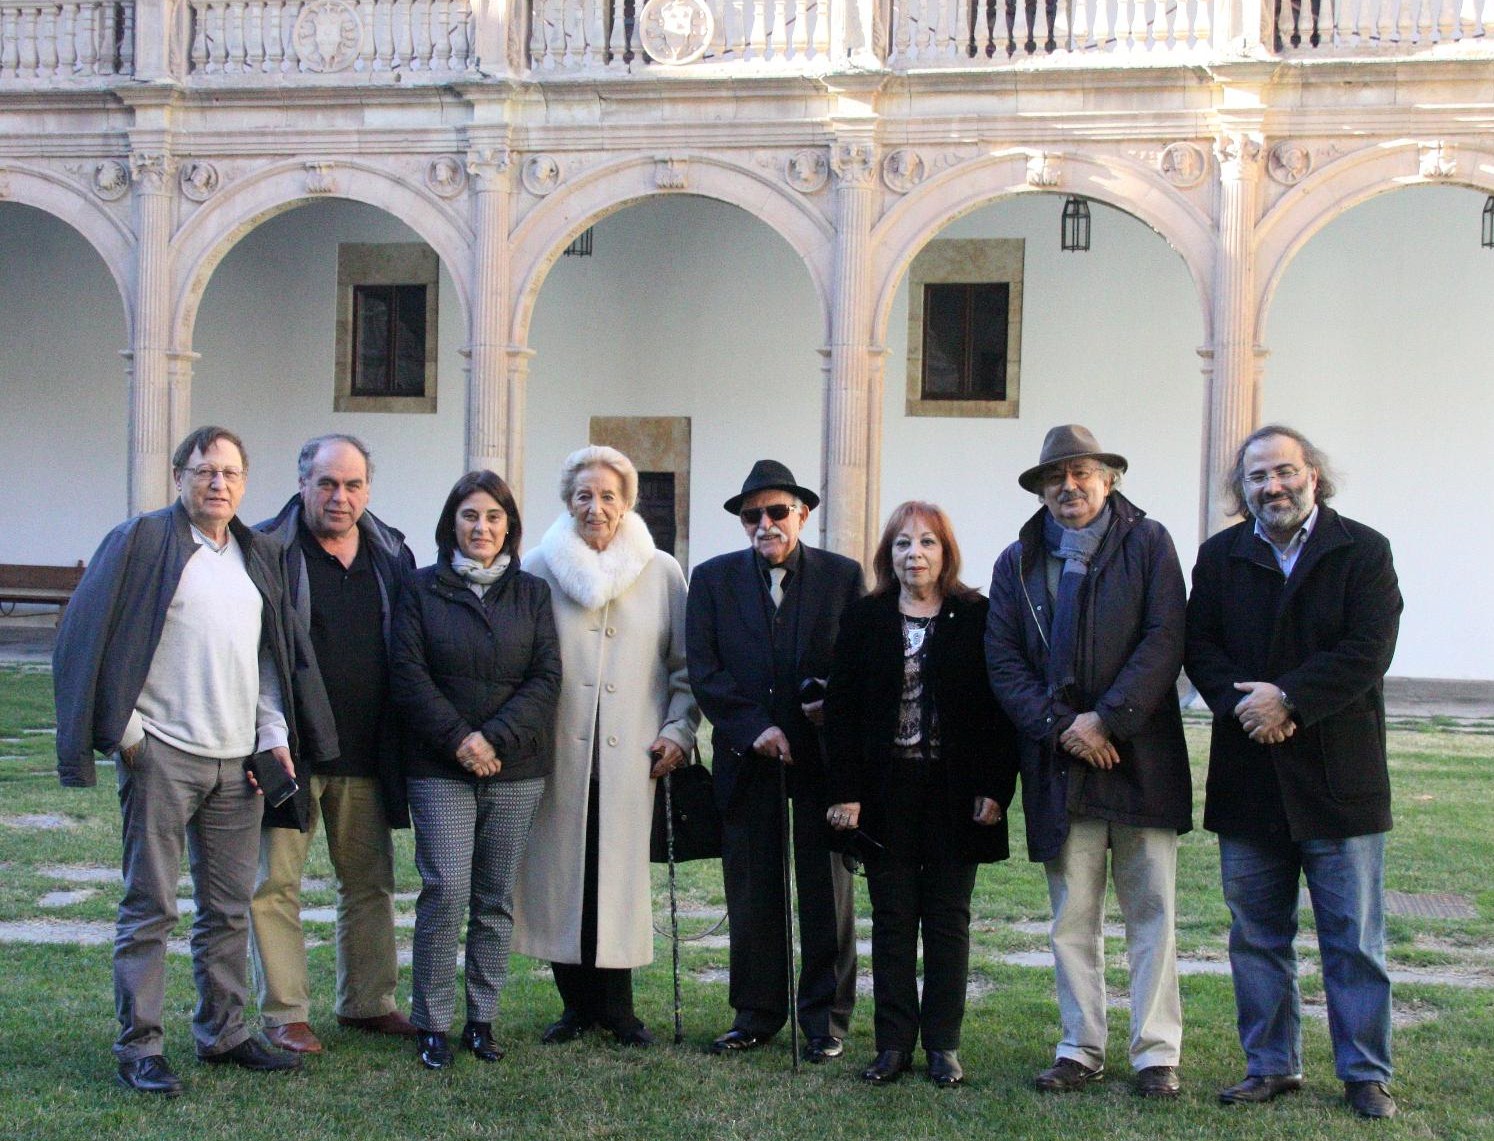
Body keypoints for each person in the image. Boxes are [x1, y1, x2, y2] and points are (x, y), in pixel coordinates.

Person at [54, 425, 334, 1095]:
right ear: (179, 475)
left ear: (244, 482)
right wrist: (127, 732)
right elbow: (86, 630)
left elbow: (273, 659)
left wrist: (272, 737)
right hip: (165, 756)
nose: (218, 483)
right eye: (205, 470)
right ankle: (141, 1045)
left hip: (237, 764)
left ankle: (224, 1031)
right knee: (150, 906)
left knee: (228, 908)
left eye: (230, 472)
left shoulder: (256, 552)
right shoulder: (144, 542)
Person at [1185, 425, 1402, 1120]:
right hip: (1250, 776)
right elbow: (1200, 646)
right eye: (1257, 477)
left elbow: (1369, 648)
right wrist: (1247, 705)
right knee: (1256, 937)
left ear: (1313, 473)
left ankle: (1365, 1072)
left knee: (1354, 940)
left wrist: (1291, 699)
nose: (1271, 486)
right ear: (1242, 489)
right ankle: (1271, 1065)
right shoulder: (1220, 557)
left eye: (1283, 471)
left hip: (1340, 779)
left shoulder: (1363, 551)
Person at [985, 424, 1192, 1099]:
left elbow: (1166, 637)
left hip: (1141, 757)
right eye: (1055, 477)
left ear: (1109, 479)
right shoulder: (1017, 560)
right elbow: (1004, 660)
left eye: (1081, 473)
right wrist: (1064, 728)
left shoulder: (1151, 542)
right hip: (1061, 763)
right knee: (1072, 911)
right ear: (1042, 489)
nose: (1068, 486)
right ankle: (1080, 1045)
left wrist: (1108, 719)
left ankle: (1156, 1051)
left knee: (1151, 910)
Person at [824, 502, 1017, 1088]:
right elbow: (843, 712)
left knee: (948, 920)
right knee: (892, 919)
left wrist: (994, 788)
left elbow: (998, 711)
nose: (916, 555)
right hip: (886, 791)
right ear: (890, 555)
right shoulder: (866, 618)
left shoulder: (975, 615)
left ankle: (942, 1046)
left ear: (946, 552)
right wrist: (847, 792)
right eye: (904, 544)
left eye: (928, 543)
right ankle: (892, 1045)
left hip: (956, 791)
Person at [513, 446, 699, 1046]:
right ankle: (575, 1005)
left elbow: (685, 669)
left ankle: (617, 1009)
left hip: (633, 757)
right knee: (560, 876)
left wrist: (678, 732)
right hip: (556, 756)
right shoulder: (537, 568)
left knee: (616, 879)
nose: (597, 508)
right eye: (584, 496)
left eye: (609, 496)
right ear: (567, 502)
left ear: (628, 502)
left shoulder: (662, 571)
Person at [687, 459, 862, 1062]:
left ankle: (826, 1020)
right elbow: (705, 671)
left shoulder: (843, 577)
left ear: (802, 514)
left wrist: (826, 703)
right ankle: (756, 1013)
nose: (765, 523)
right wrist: (754, 727)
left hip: (821, 763)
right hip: (747, 757)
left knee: (826, 892)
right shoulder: (710, 581)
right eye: (752, 515)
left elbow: (858, 664)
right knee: (752, 890)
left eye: (777, 511)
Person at [249, 434, 418, 1053]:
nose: (339, 497)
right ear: (302, 484)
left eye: (351, 485)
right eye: (326, 483)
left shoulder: (391, 552)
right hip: (290, 750)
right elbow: (254, 652)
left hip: (369, 750)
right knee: (275, 886)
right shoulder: (268, 549)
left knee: (370, 883)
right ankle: (286, 1012)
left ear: (367, 489)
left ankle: (368, 1002)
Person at [390, 470, 561, 1070]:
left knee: (493, 898)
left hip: (517, 768)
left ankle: (481, 1021)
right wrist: (462, 740)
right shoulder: (419, 590)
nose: (481, 527)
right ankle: (432, 1022)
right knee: (446, 890)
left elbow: (546, 679)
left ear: (509, 526)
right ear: (451, 524)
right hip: (440, 766)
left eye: (493, 516)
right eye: (470, 516)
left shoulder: (532, 594)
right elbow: (408, 675)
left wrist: (495, 738)